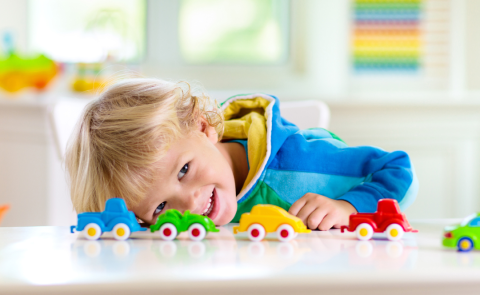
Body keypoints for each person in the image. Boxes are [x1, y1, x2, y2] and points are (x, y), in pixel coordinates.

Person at [65, 78, 418, 230]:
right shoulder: (176, 222)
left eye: (184, 170)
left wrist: (348, 207)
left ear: (203, 127)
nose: (187, 205)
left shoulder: (300, 162)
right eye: (159, 207)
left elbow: (398, 170)